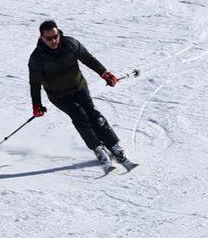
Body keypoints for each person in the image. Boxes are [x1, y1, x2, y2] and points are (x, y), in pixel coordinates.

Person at [28, 19, 136, 172]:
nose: (54, 40)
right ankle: (98, 149)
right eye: (49, 38)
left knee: (93, 115)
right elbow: (35, 84)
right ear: (42, 38)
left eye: (56, 36)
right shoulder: (37, 58)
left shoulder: (70, 44)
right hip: (59, 95)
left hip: (79, 87)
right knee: (79, 115)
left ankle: (113, 145)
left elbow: (88, 58)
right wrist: (36, 104)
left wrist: (104, 73)